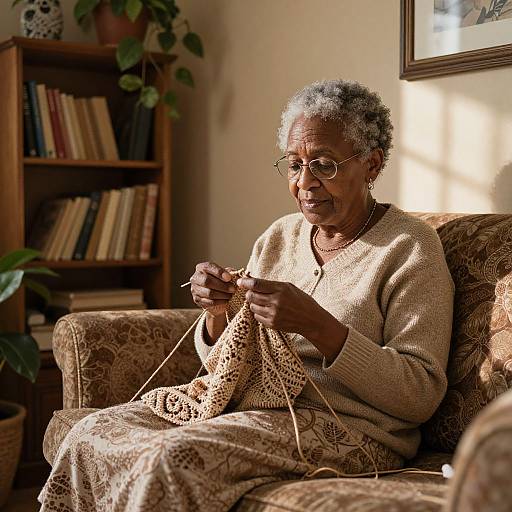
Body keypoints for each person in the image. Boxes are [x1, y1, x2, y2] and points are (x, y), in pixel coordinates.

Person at [38, 79, 454, 511]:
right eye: (294, 165)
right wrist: (217, 313)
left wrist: (317, 325)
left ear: (371, 165)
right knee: (91, 432)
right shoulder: (280, 236)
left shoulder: (410, 247)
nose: (305, 182)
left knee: (171, 457)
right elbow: (230, 358)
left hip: (350, 430)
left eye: (325, 165)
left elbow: (419, 393)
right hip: (249, 403)